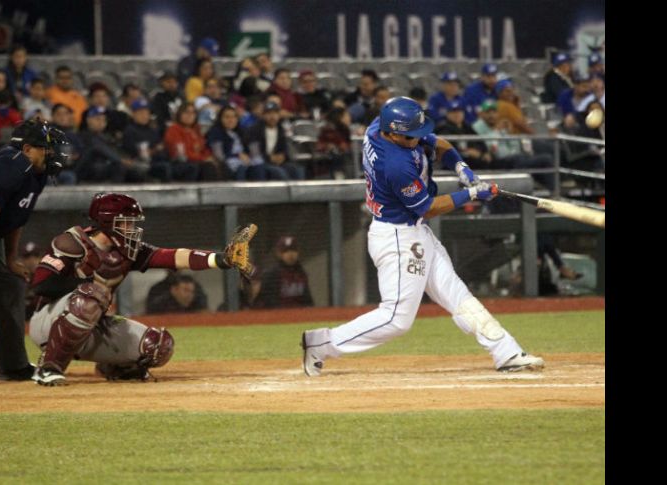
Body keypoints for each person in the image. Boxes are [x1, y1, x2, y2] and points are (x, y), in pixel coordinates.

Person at [301, 97, 544, 377]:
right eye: (410, 136)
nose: (417, 139)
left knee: (458, 296)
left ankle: (506, 351)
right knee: (396, 319)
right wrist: (471, 193)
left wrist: (460, 167)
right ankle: (321, 343)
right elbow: (427, 208)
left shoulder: (380, 126)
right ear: (393, 134)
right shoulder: (394, 165)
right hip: (398, 237)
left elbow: (437, 142)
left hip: (414, 232)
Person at [27, 193, 256, 385]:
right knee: (92, 294)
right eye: (126, 222)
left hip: (92, 325)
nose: (132, 228)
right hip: (48, 322)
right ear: (108, 222)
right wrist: (84, 285)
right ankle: (49, 367)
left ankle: (113, 367)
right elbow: (41, 285)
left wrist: (222, 259)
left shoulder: (126, 250)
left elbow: (171, 257)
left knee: (157, 346)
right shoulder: (72, 242)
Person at [0, 119, 67, 386]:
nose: (52, 153)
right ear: (27, 148)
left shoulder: (37, 172)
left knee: (12, 282)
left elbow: (16, 218)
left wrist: (10, 259)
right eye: (46, 148)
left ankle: (12, 365)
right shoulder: (11, 164)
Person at [256, 236, 314, 309]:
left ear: (298, 252)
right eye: (286, 251)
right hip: (278, 314)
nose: (290, 254)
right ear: (279, 254)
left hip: (300, 314)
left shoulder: (301, 273)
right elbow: (266, 301)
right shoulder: (271, 275)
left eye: (293, 250)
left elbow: (308, 300)